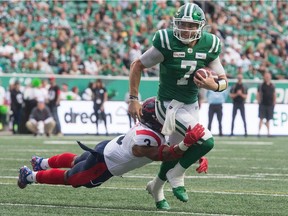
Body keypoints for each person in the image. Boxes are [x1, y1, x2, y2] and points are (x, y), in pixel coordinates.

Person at [18, 98, 207, 210]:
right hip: (106, 164)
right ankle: (31, 176)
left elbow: (168, 144)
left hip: (107, 148)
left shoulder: (150, 130)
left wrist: (196, 154)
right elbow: (163, 155)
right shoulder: (148, 138)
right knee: (72, 178)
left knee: (77, 159)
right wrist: (185, 144)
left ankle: (42, 163)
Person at [128, 2, 228, 209]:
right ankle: (177, 175)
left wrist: (213, 85)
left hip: (191, 105)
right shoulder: (166, 41)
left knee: (177, 151)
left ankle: (156, 187)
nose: (186, 29)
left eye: (191, 25)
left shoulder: (209, 44)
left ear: (200, 27)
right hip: (168, 104)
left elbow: (224, 80)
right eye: (182, 24)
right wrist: (133, 99)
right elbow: (137, 65)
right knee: (206, 141)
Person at [256, 71, 276, 137]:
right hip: (263, 104)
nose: (267, 77)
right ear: (264, 77)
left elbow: (274, 94)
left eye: (268, 76)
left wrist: (274, 102)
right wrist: (258, 101)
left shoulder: (272, 85)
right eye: (266, 76)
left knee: (268, 119)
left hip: (270, 104)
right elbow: (258, 94)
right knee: (261, 118)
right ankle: (258, 133)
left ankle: (268, 133)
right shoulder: (261, 85)